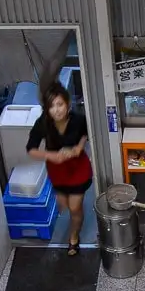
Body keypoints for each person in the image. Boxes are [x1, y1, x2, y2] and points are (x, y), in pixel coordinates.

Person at [26, 83, 92, 256]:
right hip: (57, 171)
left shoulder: (78, 119)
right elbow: (31, 149)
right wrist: (50, 156)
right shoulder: (43, 123)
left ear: (68, 103)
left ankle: (74, 238)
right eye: (51, 106)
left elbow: (85, 134)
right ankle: (68, 206)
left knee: (74, 207)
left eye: (60, 104)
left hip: (78, 168)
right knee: (63, 205)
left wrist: (78, 148)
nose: (56, 110)